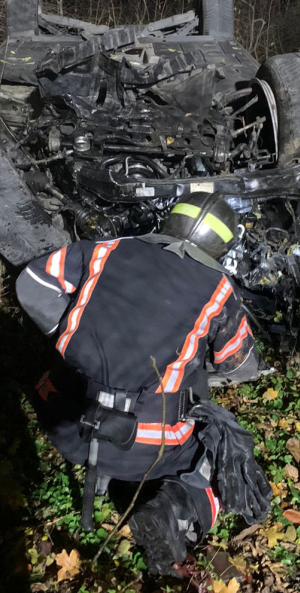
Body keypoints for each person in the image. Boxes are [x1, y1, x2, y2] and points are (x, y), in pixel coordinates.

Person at [16, 192, 273, 576]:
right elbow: (240, 365)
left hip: (67, 420)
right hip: (142, 447)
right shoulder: (218, 291)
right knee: (224, 449)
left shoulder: (107, 250)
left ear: (171, 220)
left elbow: (31, 283)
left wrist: (69, 336)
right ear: (221, 245)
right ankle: (174, 513)